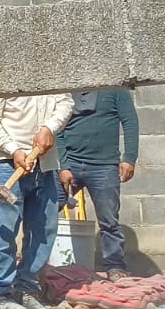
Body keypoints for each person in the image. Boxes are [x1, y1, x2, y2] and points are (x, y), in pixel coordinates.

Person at [0, 93, 73, 309]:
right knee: (4, 231)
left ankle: (26, 288)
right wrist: (14, 149)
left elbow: (66, 103)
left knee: (44, 230)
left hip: (45, 164)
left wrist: (49, 128)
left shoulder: (50, 72)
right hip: (7, 164)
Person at [58, 88, 140, 281]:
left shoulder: (116, 90)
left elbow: (130, 122)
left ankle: (115, 267)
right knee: (46, 214)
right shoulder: (65, 92)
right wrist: (63, 165)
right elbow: (57, 130)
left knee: (109, 221)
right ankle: (38, 267)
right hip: (70, 163)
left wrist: (130, 158)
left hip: (104, 166)